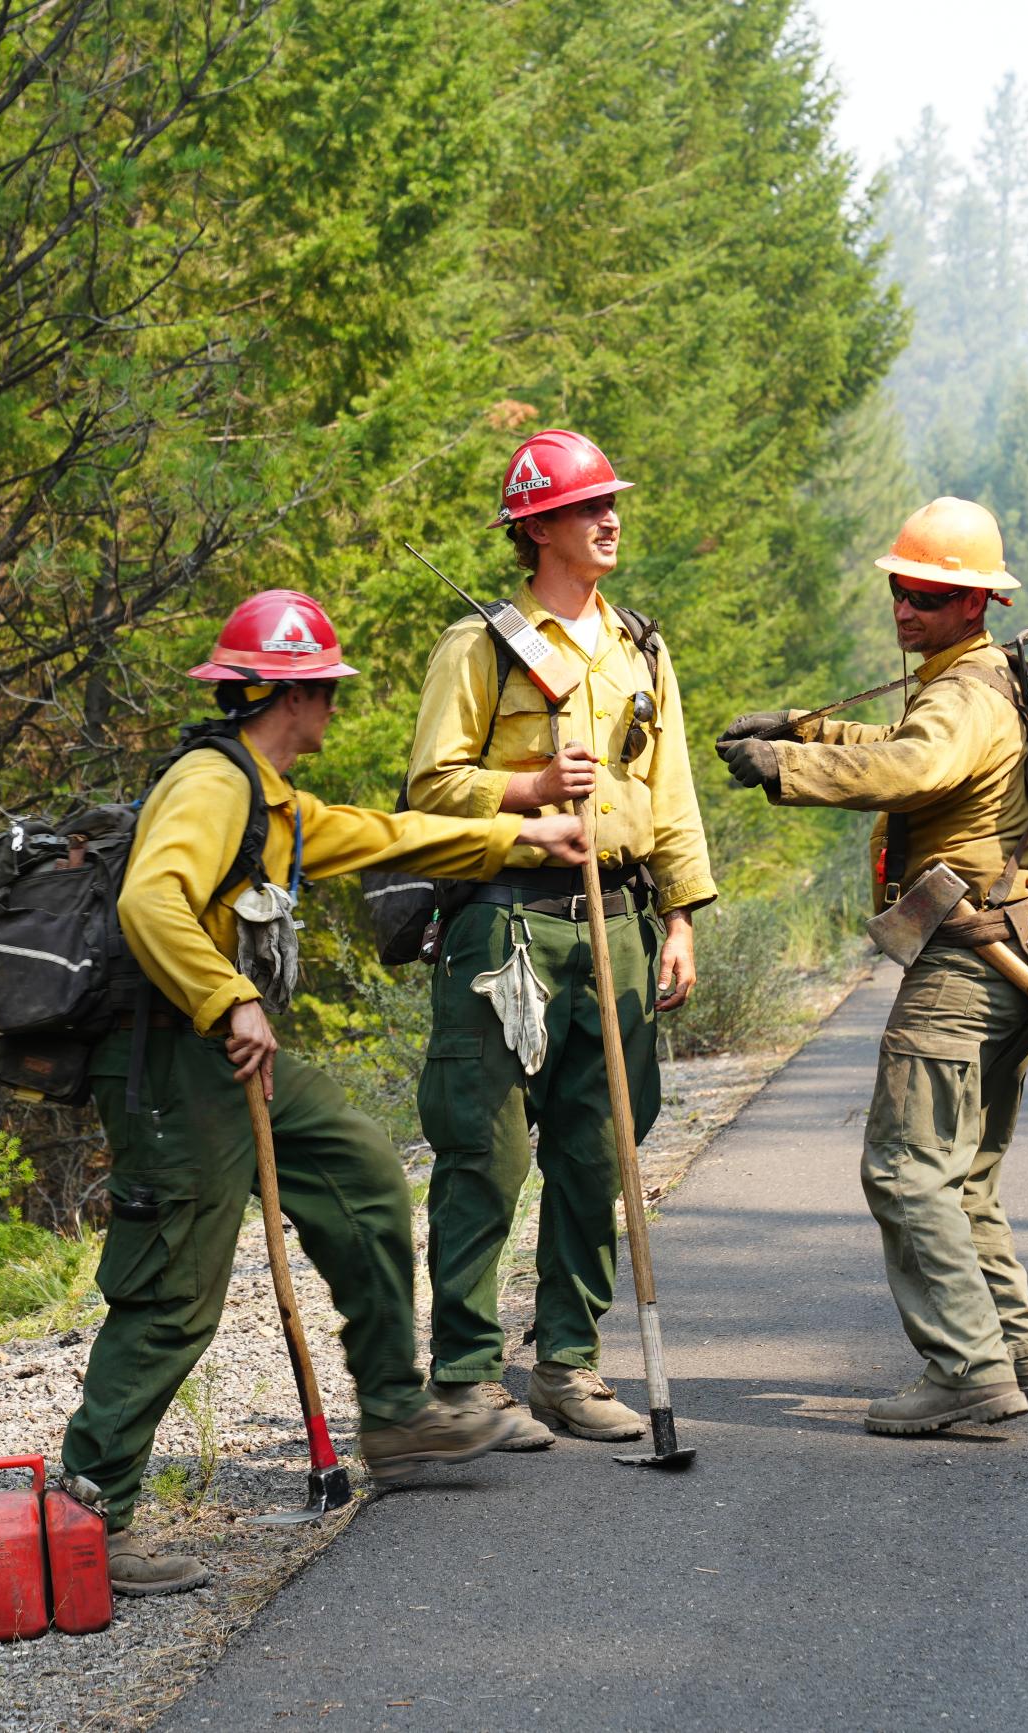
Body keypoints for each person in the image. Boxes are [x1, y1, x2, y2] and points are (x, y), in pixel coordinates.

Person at [61, 588, 591, 1595]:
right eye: (322, 691)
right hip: (174, 1062)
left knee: (356, 1169)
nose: (332, 709)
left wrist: (520, 840)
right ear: (286, 694)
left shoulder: (268, 797)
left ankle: (394, 1416)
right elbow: (149, 898)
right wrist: (229, 1000)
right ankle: (91, 1508)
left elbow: (379, 833)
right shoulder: (211, 786)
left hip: (222, 1054)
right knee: (175, 1285)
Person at [712, 496, 1028, 1436]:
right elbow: (904, 747)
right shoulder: (974, 678)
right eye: (901, 589)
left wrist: (785, 766)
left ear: (974, 602)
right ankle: (1017, 1350)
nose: (907, 607)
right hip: (1012, 952)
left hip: (965, 962)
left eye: (929, 595)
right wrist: (808, 729)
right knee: (966, 1170)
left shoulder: (961, 693)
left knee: (906, 1170)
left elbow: (911, 771)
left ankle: (967, 1370)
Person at [403, 430, 715, 1448]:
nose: (610, 518)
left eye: (611, 502)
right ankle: (461, 1379)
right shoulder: (480, 647)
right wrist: (530, 788)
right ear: (535, 529)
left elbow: (668, 794)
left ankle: (569, 1367)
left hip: (617, 920)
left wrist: (675, 915)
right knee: (486, 1151)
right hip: (506, 923)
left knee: (597, 1152)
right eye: (588, 508)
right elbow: (431, 788)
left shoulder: (639, 646)